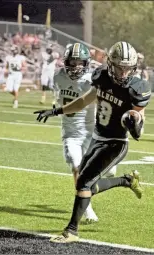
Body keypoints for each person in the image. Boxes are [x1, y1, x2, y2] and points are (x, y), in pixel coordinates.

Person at [34, 41, 151, 243]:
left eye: (128, 69)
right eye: (119, 68)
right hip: (97, 137)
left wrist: (135, 122)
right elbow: (83, 101)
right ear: (110, 64)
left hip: (115, 143)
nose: (123, 73)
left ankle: (71, 231)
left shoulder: (137, 88)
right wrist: (56, 110)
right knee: (84, 182)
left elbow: (139, 118)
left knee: (84, 183)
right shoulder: (101, 77)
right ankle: (126, 181)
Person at [52, 42, 117, 223]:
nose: (75, 66)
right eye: (71, 62)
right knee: (76, 166)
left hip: (92, 132)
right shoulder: (58, 76)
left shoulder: (93, 78)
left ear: (86, 63)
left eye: (79, 62)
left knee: (103, 168)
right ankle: (87, 208)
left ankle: (108, 167)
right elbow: (58, 96)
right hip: (70, 133)